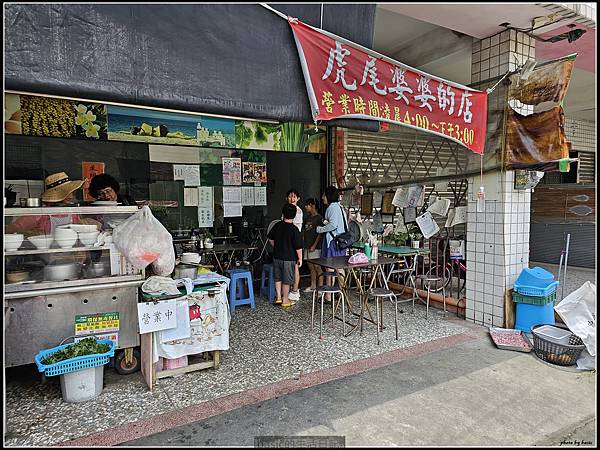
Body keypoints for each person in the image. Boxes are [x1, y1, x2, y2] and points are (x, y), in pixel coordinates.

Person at [6, 172, 97, 235]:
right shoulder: (40, 214)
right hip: (45, 259)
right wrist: (27, 233)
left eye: (72, 191)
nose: (71, 195)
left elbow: (79, 232)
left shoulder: (72, 213)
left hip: (69, 256)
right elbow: (10, 230)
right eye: (67, 192)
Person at [268, 203, 303, 307]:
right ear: (294, 215)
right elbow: (298, 247)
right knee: (287, 280)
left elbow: (270, 238)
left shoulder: (277, 225)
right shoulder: (294, 229)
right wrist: (300, 258)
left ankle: (278, 297)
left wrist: (276, 246)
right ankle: (285, 300)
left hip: (277, 257)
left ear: (283, 213)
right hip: (289, 258)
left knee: (278, 278)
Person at [316, 186, 348, 299]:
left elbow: (333, 225)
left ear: (329, 196)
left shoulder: (331, 208)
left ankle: (329, 295)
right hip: (341, 242)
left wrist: (320, 229)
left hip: (332, 243)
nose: (322, 197)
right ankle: (341, 291)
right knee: (340, 267)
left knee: (329, 267)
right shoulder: (340, 208)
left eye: (324, 195)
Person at [285, 188, 303, 301]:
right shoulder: (287, 209)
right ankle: (291, 288)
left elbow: (296, 229)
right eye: (290, 196)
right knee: (289, 267)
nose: (292, 198)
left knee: (295, 267)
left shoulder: (298, 211)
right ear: (287, 198)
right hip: (287, 241)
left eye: (294, 197)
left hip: (294, 241)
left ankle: (295, 291)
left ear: (298, 199)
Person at [302, 198, 323, 293]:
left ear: (313, 205)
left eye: (307, 205)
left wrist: (314, 245)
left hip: (315, 247)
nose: (306, 207)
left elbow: (320, 234)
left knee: (317, 267)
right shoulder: (307, 217)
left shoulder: (319, 218)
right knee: (311, 267)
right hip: (307, 245)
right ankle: (313, 285)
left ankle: (321, 288)